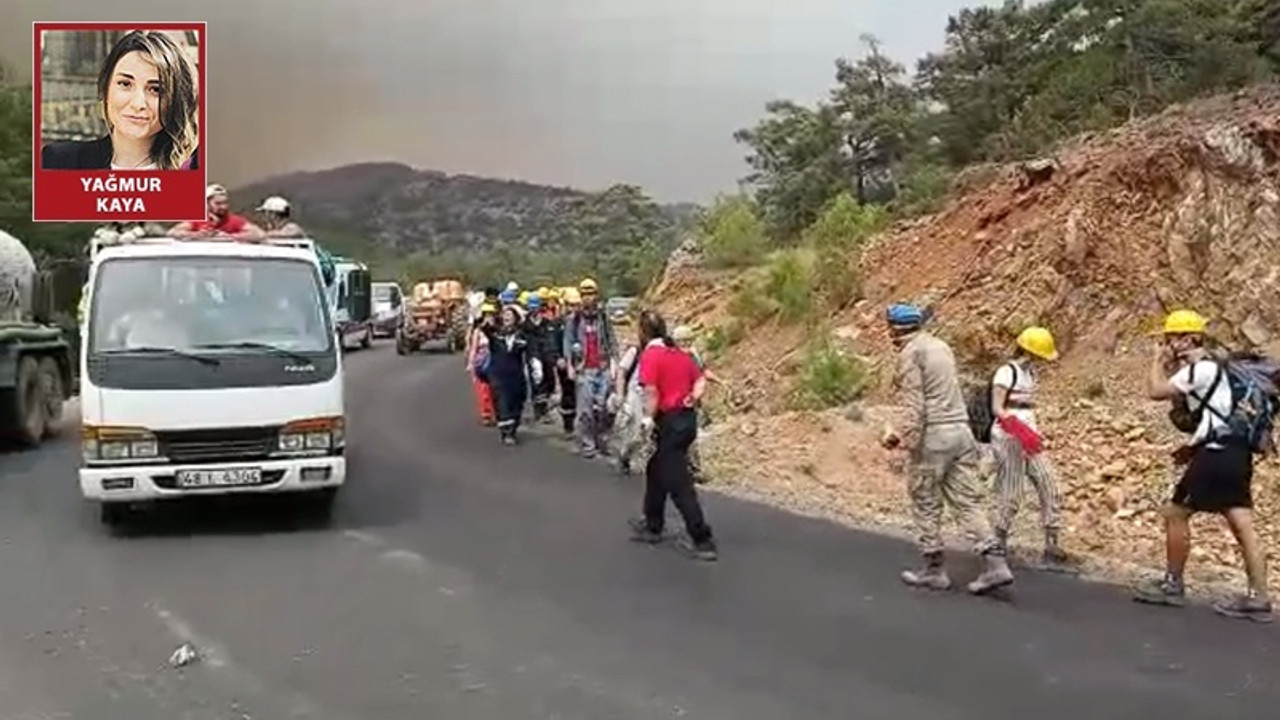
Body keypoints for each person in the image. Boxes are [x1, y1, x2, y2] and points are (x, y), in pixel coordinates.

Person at [1134, 309, 1272, 620]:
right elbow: (1217, 415)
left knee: (1176, 511)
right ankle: (1260, 598)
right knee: (1242, 523)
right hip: (1237, 453)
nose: (1166, 343)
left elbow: (1156, 390)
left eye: (1170, 338)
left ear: (1188, 338)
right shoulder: (1220, 368)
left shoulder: (1200, 369)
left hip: (1216, 453)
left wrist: (1157, 361)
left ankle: (1172, 584)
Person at [879, 303, 1013, 594]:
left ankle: (933, 570)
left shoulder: (911, 354)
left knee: (925, 499)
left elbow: (915, 405)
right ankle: (995, 565)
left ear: (894, 328)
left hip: (934, 437)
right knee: (968, 502)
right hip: (961, 432)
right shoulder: (941, 346)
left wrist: (904, 441)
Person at [42, 30, 199, 171]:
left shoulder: (196, 169)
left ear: (176, 99)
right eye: (125, 84)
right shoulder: (60, 162)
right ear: (106, 89)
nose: (138, 104)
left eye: (156, 90)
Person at [630, 310, 717, 561]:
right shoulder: (679, 353)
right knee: (656, 469)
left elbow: (652, 391)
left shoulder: (651, 355)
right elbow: (700, 379)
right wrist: (693, 396)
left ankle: (702, 538)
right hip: (686, 419)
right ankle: (653, 524)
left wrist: (647, 418)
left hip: (670, 420)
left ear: (643, 332)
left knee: (678, 483)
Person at [990, 326, 1074, 570]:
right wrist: (1016, 428)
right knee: (1013, 491)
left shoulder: (1031, 374)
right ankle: (999, 540)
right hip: (1009, 436)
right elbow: (997, 407)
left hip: (1030, 436)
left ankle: (1051, 544)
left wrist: (1030, 433)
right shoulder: (1006, 373)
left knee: (1050, 484)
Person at [562, 278, 617, 458]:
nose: (588, 298)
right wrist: (570, 365)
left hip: (602, 367)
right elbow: (568, 342)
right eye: (584, 294)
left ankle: (602, 439)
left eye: (591, 294)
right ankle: (587, 444)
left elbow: (612, 340)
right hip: (583, 369)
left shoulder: (603, 317)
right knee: (585, 410)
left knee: (603, 408)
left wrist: (614, 363)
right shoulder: (574, 319)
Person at [485, 305, 538, 445]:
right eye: (505, 314)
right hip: (498, 374)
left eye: (510, 315)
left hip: (516, 375)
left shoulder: (521, 336)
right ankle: (506, 432)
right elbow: (484, 328)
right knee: (502, 402)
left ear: (516, 318)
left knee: (516, 403)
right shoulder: (495, 334)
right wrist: (486, 318)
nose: (507, 317)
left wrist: (535, 367)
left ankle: (513, 428)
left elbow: (531, 350)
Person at [170, 185, 265, 240]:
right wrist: (197, 235)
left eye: (225, 203)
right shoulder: (196, 221)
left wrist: (230, 237)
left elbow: (260, 234)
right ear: (207, 203)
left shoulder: (234, 221)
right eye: (218, 203)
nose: (223, 207)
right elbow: (172, 232)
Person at [522, 294, 558, 422]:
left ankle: (544, 406)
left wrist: (554, 355)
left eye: (536, 307)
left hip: (547, 356)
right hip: (533, 356)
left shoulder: (547, 323)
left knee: (549, 381)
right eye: (531, 307)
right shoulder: (524, 324)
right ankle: (540, 411)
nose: (534, 310)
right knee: (537, 381)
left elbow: (552, 339)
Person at [550, 287, 580, 437]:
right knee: (568, 392)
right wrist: (558, 358)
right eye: (570, 305)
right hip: (565, 364)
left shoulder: (583, 321)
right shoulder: (558, 323)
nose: (573, 308)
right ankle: (568, 424)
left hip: (582, 363)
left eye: (575, 305)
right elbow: (553, 343)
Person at [466, 303, 498, 426]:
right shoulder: (478, 332)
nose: (489, 318)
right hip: (481, 363)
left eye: (491, 315)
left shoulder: (498, 330)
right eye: (487, 315)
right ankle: (486, 414)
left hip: (495, 362)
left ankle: (497, 413)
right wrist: (471, 363)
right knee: (483, 390)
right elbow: (474, 348)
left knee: (495, 389)